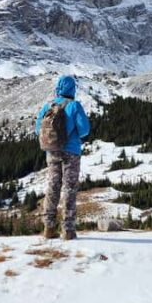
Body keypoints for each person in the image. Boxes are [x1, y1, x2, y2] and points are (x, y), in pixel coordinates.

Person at [35, 75, 90, 240]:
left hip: (51, 152)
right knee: (69, 189)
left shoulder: (47, 106)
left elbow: (38, 129)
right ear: (72, 89)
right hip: (71, 152)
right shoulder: (74, 105)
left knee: (52, 187)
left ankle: (48, 227)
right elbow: (84, 130)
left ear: (58, 88)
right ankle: (67, 230)